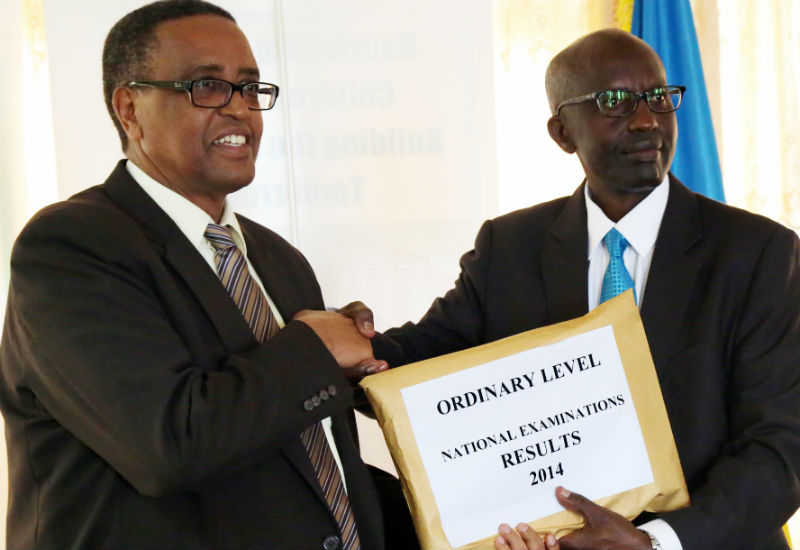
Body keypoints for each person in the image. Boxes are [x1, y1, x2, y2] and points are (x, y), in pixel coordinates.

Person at [363, 28, 800, 549]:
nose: (646, 120)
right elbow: (417, 367)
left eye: (659, 97)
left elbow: (781, 447)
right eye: (614, 102)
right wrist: (347, 343)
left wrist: (655, 542)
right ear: (562, 132)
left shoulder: (757, 252)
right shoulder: (510, 247)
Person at [0, 1, 398, 548]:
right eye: (206, 87)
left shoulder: (280, 260)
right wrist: (312, 351)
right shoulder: (71, 248)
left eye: (250, 88)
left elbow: (305, 463)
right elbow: (167, 446)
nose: (240, 110)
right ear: (130, 109)